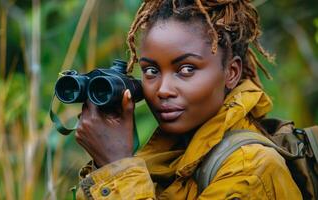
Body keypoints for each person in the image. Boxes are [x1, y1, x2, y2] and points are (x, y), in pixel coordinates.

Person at [74, 0, 302, 199]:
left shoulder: (251, 169)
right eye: (151, 71)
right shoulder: (170, 158)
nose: (163, 90)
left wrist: (117, 167)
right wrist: (106, 166)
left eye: (186, 69)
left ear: (231, 73)